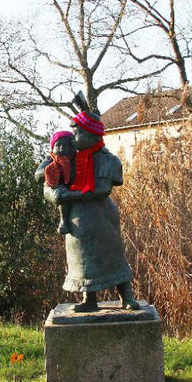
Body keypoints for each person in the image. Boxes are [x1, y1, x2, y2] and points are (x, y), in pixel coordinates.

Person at [37, 103, 140, 312]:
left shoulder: (107, 160)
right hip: (76, 221)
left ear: (93, 136)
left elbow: (101, 190)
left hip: (102, 218)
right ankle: (88, 299)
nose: (72, 139)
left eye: (77, 134)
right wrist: (54, 195)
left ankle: (126, 296)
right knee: (83, 260)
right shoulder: (68, 159)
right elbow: (50, 183)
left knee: (112, 256)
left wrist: (69, 195)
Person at [41, 130, 76, 235]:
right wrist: (50, 170)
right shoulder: (51, 159)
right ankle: (63, 221)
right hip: (57, 186)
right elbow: (38, 174)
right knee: (61, 196)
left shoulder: (75, 159)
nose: (61, 149)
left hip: (73, 185)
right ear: (52, 148)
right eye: (58, 145)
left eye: (65, 145)